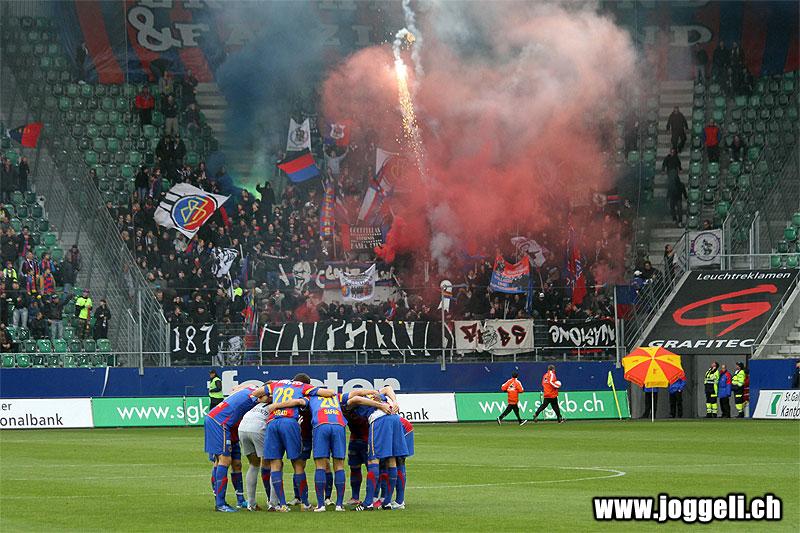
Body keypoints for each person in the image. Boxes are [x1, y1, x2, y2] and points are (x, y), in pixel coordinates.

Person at [262, 375, 335, 512]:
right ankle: (305, 502)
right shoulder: (307, 396)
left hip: (275, 423)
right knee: (299, 464)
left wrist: (274, 403)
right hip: (297, 429)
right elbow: (329, 393)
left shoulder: (280, 391)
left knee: (276, 464)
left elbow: (260, 395)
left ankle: (282, 504)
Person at [204, 382, 268, 512]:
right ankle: (220, 503)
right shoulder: (255, 394)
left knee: (235, 463)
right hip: (220, 422)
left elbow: (235, 388)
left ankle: (239, 500)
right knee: (224, 460)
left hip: (227, 425)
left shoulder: (249, 388)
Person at [343, 386, 404, 511]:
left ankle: (368, 503)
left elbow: (357, 399)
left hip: (379, 420)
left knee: (373, 460)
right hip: (395, 419)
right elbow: (387, 388)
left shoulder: (350, 400)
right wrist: (389, 403)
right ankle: (387, 502)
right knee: (391, 459)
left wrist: (392, 403)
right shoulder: (372, 395)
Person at [303, 375, 347, 512]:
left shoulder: (310, 397)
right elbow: (355, 397)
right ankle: (339, 505)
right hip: (339, 425)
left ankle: (321, 505)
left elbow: (298, 402)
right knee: (339, 465)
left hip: (321, 425)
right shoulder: (336, 397)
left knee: (320, 466)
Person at [237, 401, 276, 511]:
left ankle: (251, 503)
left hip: (242, 428)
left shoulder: (257, 404)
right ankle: (273, 503)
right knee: (274, 464)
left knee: (254, 464)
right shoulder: (277, 404)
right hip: (258, 428)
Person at [343, 401, 370, 506]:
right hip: (355, 440)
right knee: (355, 468)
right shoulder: (350, 405)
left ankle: (372, 497)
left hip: (367, 441)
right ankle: (355, 497)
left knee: (371, 469)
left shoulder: (370, 404)